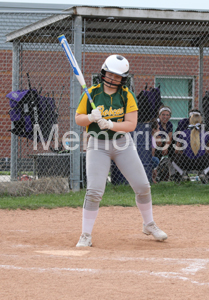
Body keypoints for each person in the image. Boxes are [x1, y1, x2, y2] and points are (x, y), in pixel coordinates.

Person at [74, 54, 167, 247]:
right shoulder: (91, 93)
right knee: (94, 191)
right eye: (110, 74)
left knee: (143, 186)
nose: (113, 79)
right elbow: (78, 119)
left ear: (123, 78)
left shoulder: (126, 95)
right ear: (104, 72)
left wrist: (110, 123)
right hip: (97, 145)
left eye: (118, 76)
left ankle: (148, 224)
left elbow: (131, 125)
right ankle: (85, 235)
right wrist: (91, 117)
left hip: (122, 144)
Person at [172, 114, 209, 183]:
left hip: (186, 162)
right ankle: (203, 172)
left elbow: (176, 150)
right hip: (201, 162)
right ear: (201, 122)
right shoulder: (205, 133)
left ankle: (183, 173)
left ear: (190, 122)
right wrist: (204, 151)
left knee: (173, 158)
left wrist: (185, 152)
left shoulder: (183, 133)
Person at [149, 119, 161, 183]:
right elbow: (152, 153)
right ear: (154, 129)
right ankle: (150, 178)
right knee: (155, 160)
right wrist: (154, 169)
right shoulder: (153, 138)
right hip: (146, 159)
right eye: (158, 129)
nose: (159, 131)